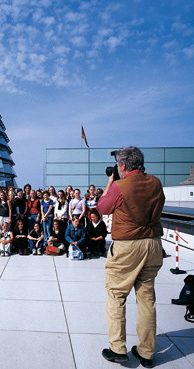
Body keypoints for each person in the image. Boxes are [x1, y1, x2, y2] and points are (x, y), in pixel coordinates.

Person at [97, 146, 164, 368]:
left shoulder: (119, 186)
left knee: (116, 295)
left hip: (127, 246)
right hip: (153, 244)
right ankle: (146, 352)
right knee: (147, 299)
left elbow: (103, 208)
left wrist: (110, 182)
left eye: (118, 165)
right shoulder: (155, 182)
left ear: (123, 165)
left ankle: (118, 348)